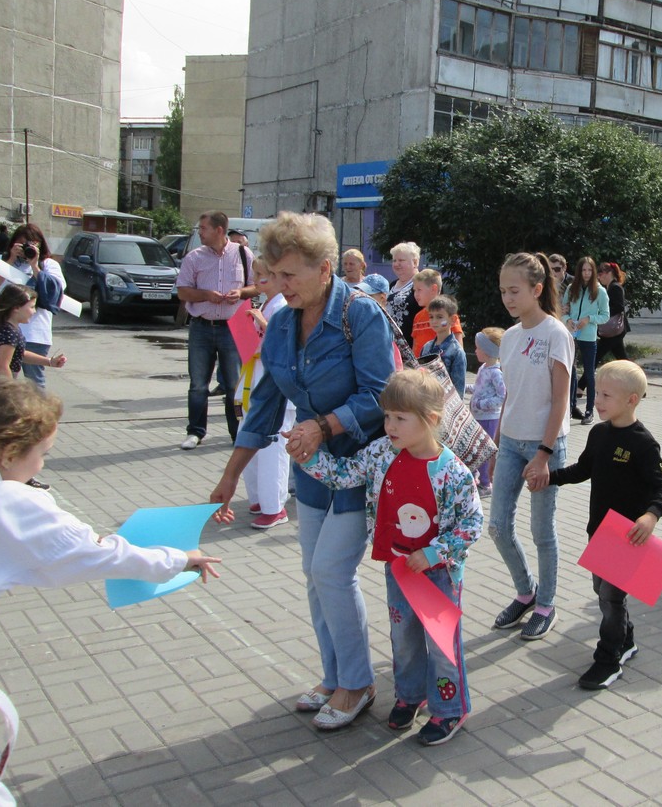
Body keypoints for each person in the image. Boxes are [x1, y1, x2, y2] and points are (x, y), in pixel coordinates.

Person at [0, 379, 220, 804]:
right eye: (43, 454)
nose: (41, 466)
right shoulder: (12, 503)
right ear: (8, 453)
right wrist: (176, 559)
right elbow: (100, 553)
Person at [208, 212, 394, 731]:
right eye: (273, 273)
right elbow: (265, 406)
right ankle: (334, 677)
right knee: (314, 575)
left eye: (289, 274)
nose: (278, 284)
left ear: (325, 268)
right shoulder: (283, 324)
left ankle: (358, 683)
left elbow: (382, 394)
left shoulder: (361, 314)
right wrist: (230, 477)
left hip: (360, 468)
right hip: (312, 471)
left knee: (332, 571)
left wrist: (325, 425)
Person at [295, 371, 482, 746]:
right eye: (387, 417)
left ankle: (450, 708)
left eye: (400, 418)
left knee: (441, 644)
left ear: (430, 419)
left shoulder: (452, 471)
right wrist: (307, 456)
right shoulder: (381, 453)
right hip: (399, 567)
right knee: (403, 638)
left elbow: (471, 523)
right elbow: (344, 474)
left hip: (439, 575)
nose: (390, 426)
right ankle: (410, 696)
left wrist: (433, 553)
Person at [541, 360, 662, 689]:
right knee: (601, 591)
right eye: (597, 393)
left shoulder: (643, 443)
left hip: (627, 538)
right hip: (599, 531)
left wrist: (650, 515)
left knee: (611, 599)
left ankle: (608, 660)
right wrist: (550, 478)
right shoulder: (599, 433)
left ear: (631, 400)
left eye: (606, 395)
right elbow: (583, 469)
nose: (596, 401)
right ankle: (626, 640)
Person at [488, 252, 573, 642]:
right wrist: (497, 445)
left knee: (542, 531)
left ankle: (546, 605)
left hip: (545, 448)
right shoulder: (509, 336)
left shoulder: (556, 334)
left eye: (515, 290)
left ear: (537, 289)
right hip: (510, 443)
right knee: (497, 526)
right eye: (503, 290)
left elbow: (560, 401)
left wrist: (543, 455)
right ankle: (526, 592)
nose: (508, 298)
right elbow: (510, 394)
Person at [175, 212, 256, 450]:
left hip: (233, 328)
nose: (200, 232)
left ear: (219, 230)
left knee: (233, 385)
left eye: (204, 228)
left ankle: (236, 433)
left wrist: (240, 293)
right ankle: (195, 432)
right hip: (202, 327)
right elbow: (182, 291)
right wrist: (206, 295)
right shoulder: (194, 257)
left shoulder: (243, 254)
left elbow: (256, 286)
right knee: (198, 384)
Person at [237, 257, 295, 530]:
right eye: (255, 274)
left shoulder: (284, 306)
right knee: (248, 437)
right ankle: (261, 497)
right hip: (256, 378)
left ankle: (275, 506)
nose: (256, 280)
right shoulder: (266, 304)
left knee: (273, 446)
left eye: (261, 275)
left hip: (276, 384)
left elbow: (287, 342)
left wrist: (263, 323)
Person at [3, 223, 65, 389]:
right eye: (22, 244)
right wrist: (11, 259)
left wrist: (35, 265)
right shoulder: (6, 261)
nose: (26, 248)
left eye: (31, 244)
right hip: (8, 331)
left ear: (40, 244)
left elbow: (55, 291)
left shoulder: (49, 265)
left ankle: (39, 408)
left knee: (35, 382)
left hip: (36, 333)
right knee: (5, 381)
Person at [0, 284, 67, 386]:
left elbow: (20, 354)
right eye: (32, 307)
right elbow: (3, 367)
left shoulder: (12, 328)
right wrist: (11, 390)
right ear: (16, 308)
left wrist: (50, 361)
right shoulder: (9, 333)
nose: (34, 311)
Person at [562, 256, 609, 425]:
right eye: (583, 270)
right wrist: (567, 320)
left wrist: (589, 319)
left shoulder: (599, 291)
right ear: (579, 271)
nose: (587, 273)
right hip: (571, 335)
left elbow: (605, 315)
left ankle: (590, 411)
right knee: (571, 371)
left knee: (589, 373)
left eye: (590, 270)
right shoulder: (571, 288)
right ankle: (570, 408)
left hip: (588, 336)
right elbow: (563, 310)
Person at [469, 327, 506, 497]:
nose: (475, 350)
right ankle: (477, 478)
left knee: (485, 451)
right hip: (478, 417)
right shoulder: (484, 368)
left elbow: (502, 396)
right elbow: (479, 388)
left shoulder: (496, 373)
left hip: (490, 419)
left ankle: (486, 484)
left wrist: (481, 404)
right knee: (476, 449)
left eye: (478, 348)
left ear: (488, 351)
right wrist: (465, 387)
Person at [420, 294, 466, 398]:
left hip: (446, 402)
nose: (434, 321)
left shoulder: (456, 351)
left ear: (453, 319)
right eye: (431, 317)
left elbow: (459, 386)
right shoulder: (426, 347)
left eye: (439, 317)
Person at [410, 268, 463, 357]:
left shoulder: (448, 314)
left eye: (419, 289)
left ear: (433, 289)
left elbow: (459, 349)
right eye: (414, 290)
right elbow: (415, 347)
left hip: (443, 363)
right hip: (420, 364)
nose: (415, 294)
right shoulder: (418, 317)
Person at [588, 262, 628, 379]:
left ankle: (581, 385)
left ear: (609, 273)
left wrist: (603, 313)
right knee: (623, 359)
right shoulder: (610, 287)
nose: (599, 277)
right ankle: (635, 381)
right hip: (614, 329)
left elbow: (619, 307)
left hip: (614, 328)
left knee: (595, 356)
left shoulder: (615, 287)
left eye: (600, 274)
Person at [386, 242, 422, 351]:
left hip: (412, 346)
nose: (396, 264)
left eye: (401, 260)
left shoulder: (423, 284)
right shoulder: (392, 285)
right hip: (390, 346)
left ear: (415, 262)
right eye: (394, 260)